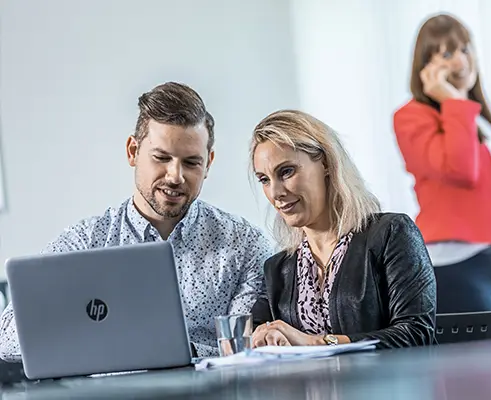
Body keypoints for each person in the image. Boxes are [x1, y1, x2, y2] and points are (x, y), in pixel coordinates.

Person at [0, 82, 272, 360]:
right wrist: (110, 343)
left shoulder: (246, 245)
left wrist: (176, 351)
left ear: (208, 164)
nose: (175, 176)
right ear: (132, 151)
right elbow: (7, 341)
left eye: (191, 163)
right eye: (161, 157)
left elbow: (242, 350)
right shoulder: (86, 241)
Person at [250, 109, 436, 349]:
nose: (275, 193)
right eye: (264, 180)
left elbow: (416, 333)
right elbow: (251, 337)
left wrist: (318, 343)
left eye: (286, 172)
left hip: (386, 385)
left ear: (326, 163)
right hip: (306, 387)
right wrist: (262, 338)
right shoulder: (278, 268)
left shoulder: (391, 234)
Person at [393, 13, 491, 314]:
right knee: (476, 363)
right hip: (454, 267)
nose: (460, 61)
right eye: (446, 54)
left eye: (465, 49)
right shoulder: (412, 116)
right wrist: (452, 101)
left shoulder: (479, 118)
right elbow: (461, 170)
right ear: (425, 65)